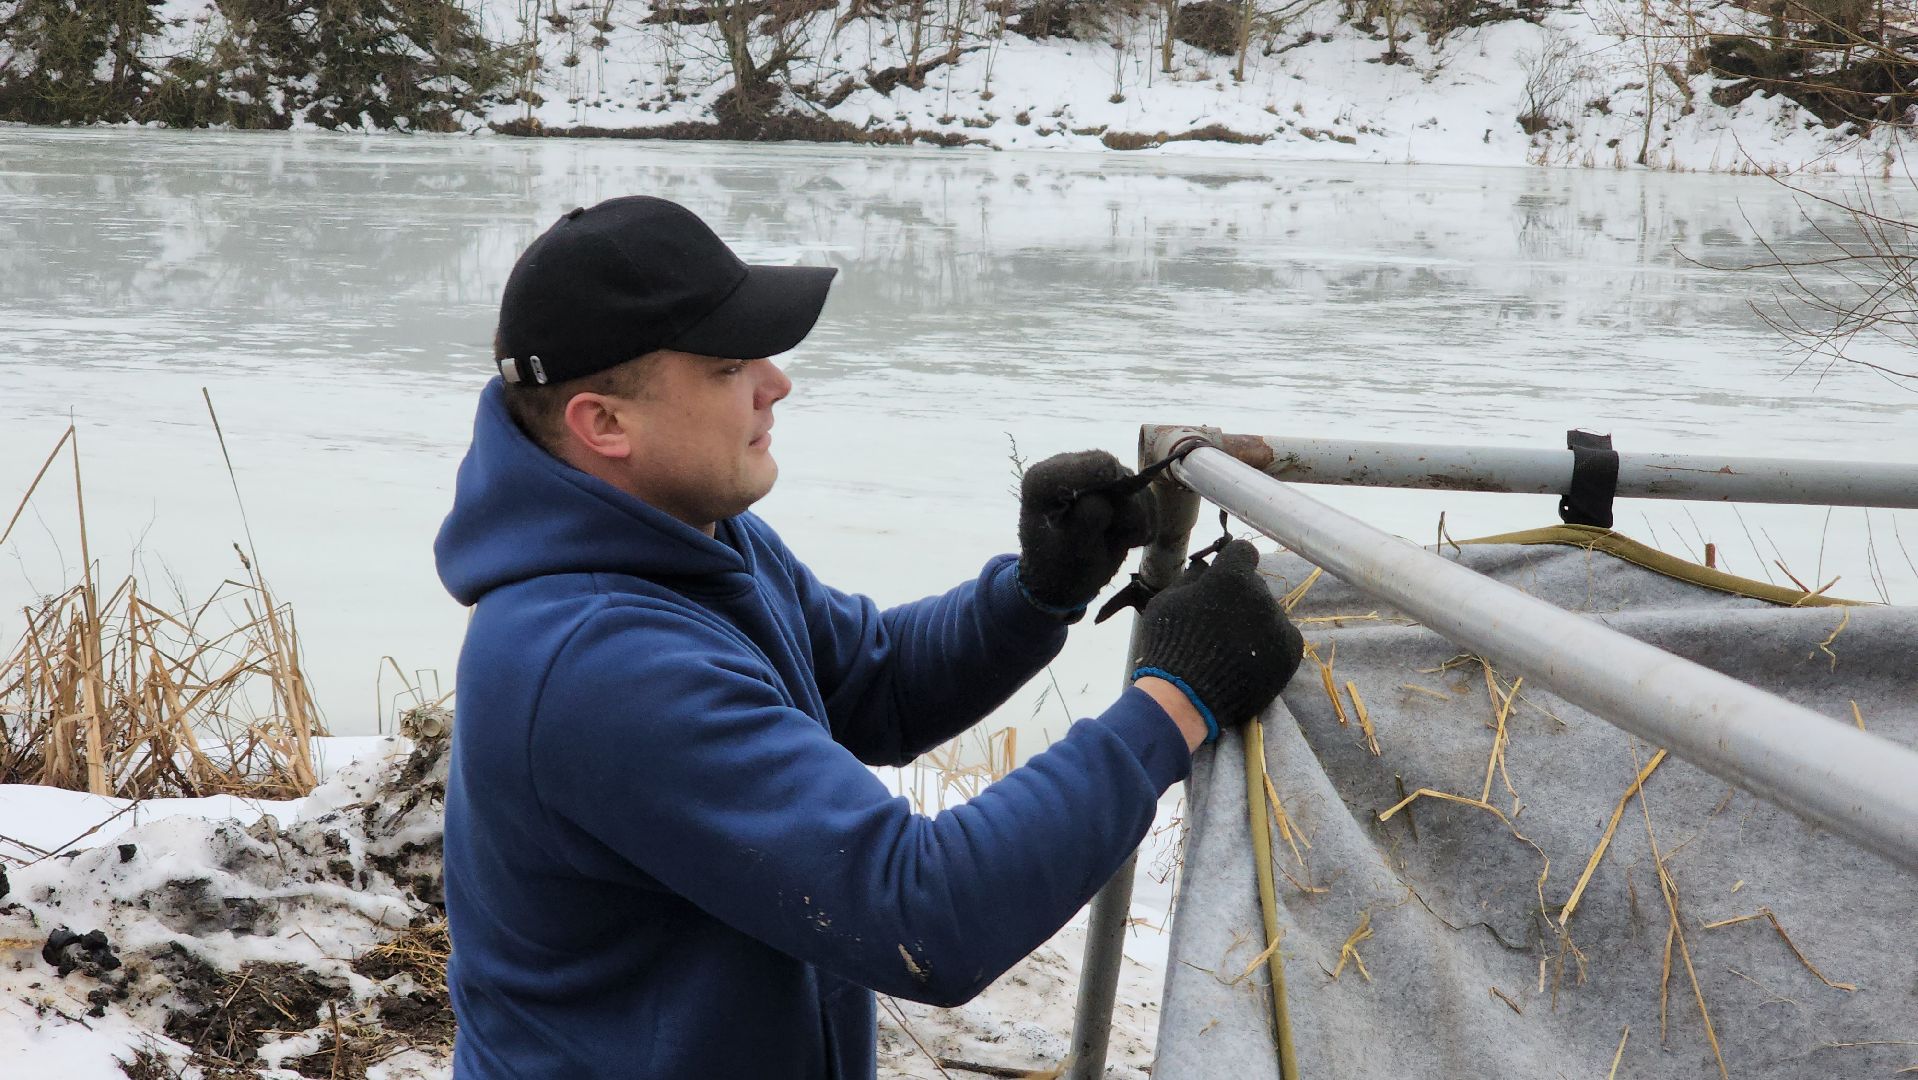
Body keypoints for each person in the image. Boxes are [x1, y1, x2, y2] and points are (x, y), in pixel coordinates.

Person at [432, 195, 1305, 1079]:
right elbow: (923, 913)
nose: (777, 382)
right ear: (604, 424)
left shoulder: (684, 533)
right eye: (730, 365)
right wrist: (1174, 702)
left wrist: (1035, 594)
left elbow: (868, 685)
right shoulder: (599, 663)